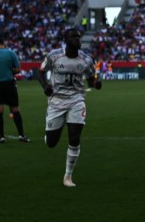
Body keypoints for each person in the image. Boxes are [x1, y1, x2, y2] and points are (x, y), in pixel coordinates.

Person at [37, 28, 101, 187]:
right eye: (73, 37)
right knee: (51, 142)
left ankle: (68, 176)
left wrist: (96, 84)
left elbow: (91, 79)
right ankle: (49, 133)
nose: (77, 40)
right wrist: (45, 86)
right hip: (57, 101)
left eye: (78, 37)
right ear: (66, 40)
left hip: (77, 99)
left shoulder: (86, 59)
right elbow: (39, 72)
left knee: (74, 137)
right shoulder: (54, 55)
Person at [0, 37, 29, 144]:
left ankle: (2, 137)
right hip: (9, 84)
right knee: (15, 109)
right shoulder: (11, 53)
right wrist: (9, 71)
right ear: (3, 44)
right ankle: (21, 135)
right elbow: (18, 70)